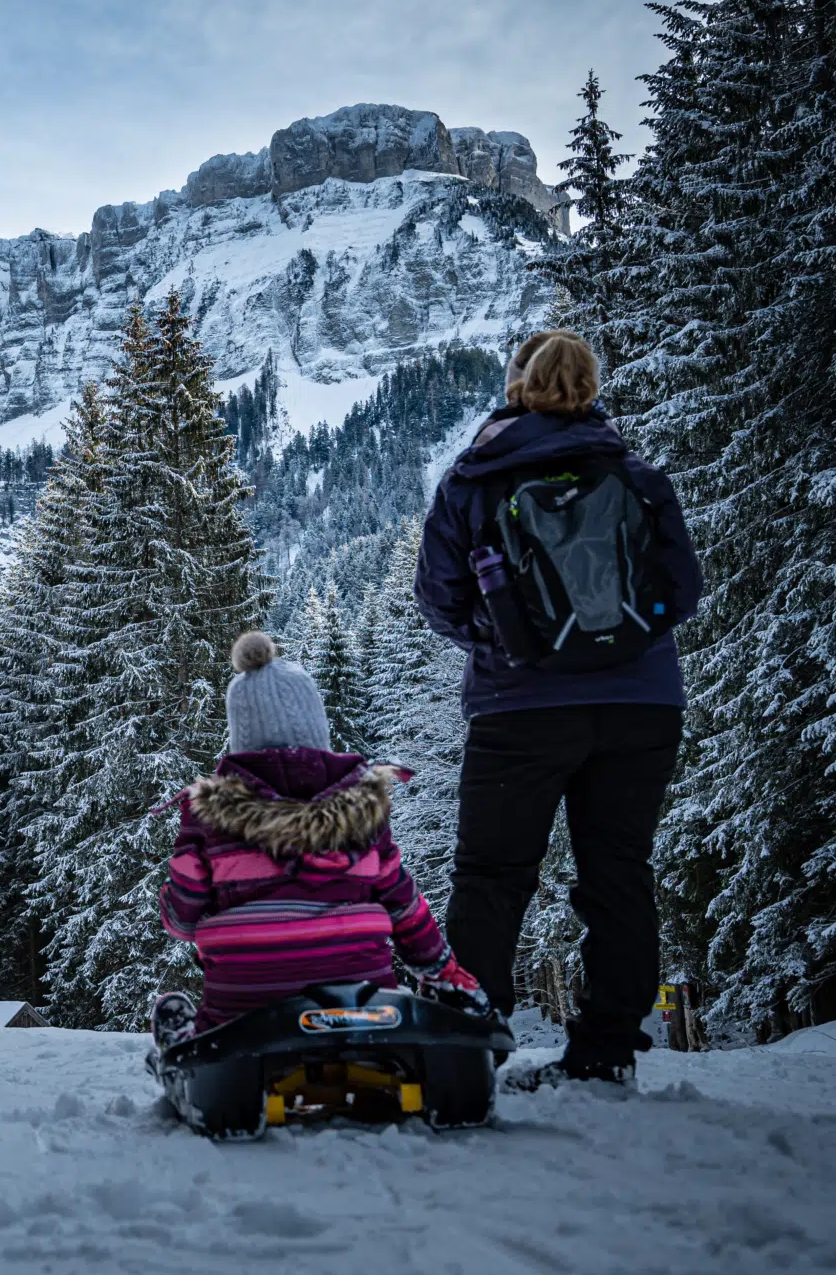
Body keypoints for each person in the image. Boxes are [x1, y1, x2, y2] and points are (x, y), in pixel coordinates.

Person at [416, 330, 702, 1086]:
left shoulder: (475, 479)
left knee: (492, 875)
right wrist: (622, 641)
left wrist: (507, 637)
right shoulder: (636, 475)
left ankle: (472, 1048)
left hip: (520, 709)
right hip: (641, 706)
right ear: (588, 387)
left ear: (517, 387)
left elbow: (438, 599)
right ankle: (607, 1053)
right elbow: (685, 589)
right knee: (618, 873)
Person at [152, 632, 484, 1048]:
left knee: (195, 1024)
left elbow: (182, 921)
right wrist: (440, 967)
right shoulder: (364, 809)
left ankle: (190, 1046)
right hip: (364, 1001)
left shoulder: (204, 817)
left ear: (240, 736)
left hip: (246, 1012)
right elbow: (403, 905)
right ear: (318, 727)